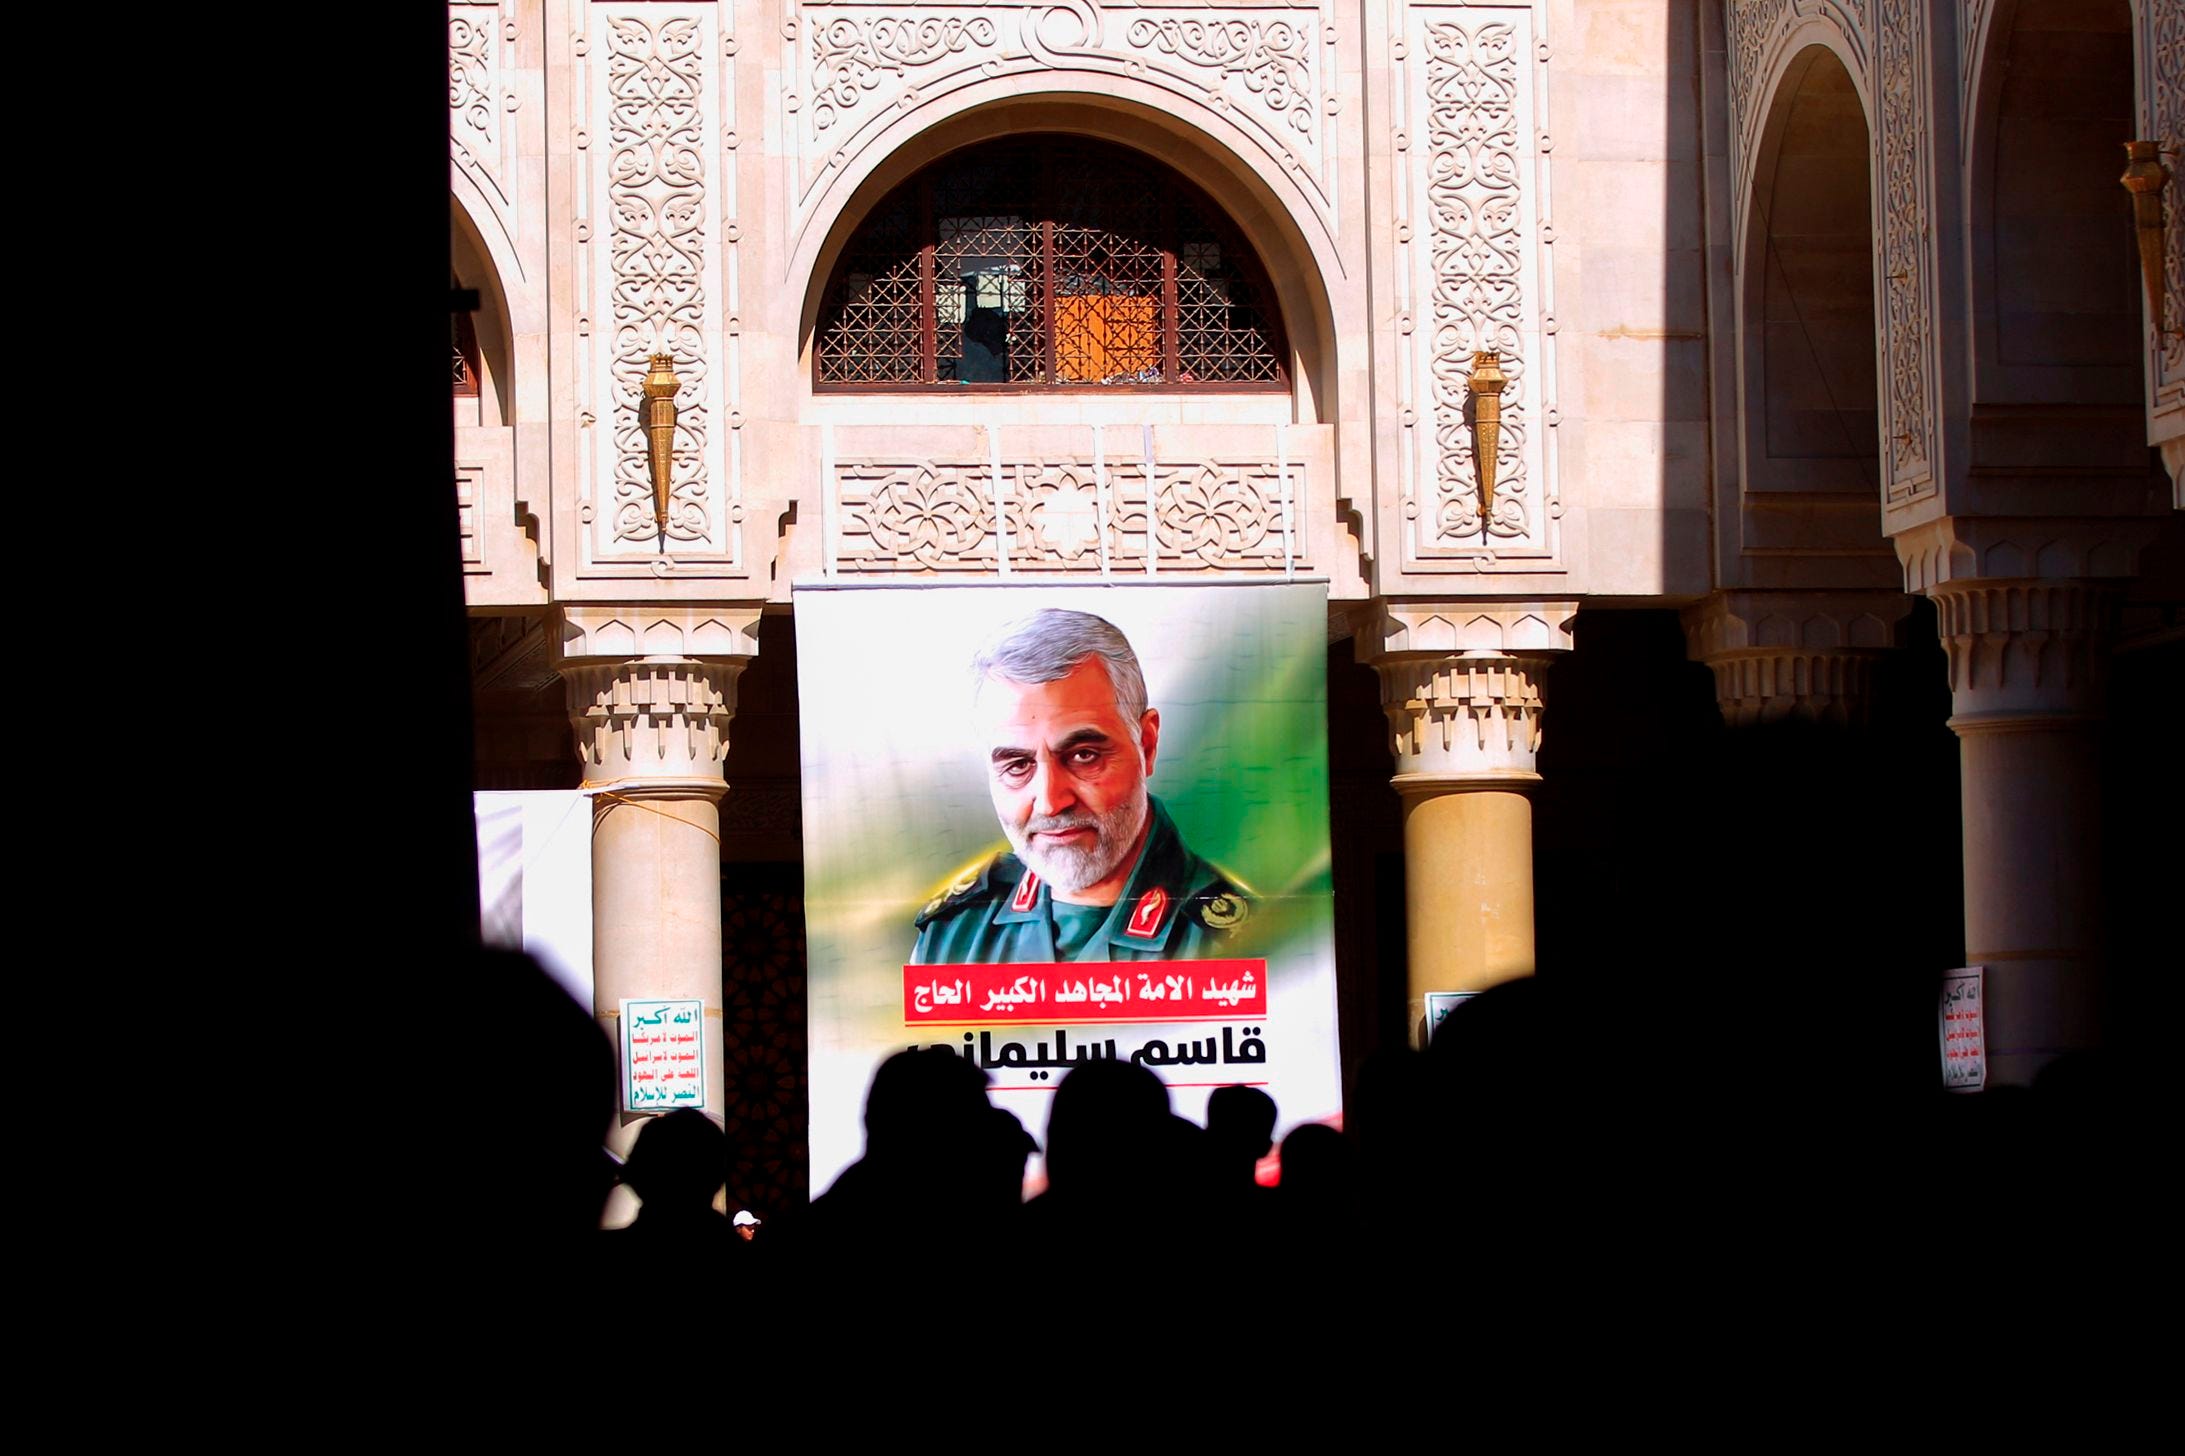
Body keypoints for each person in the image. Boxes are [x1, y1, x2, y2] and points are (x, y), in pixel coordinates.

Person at [910, 608, 1256, 964]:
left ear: (1147, 745)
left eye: (1084, 756)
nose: (1049, 802)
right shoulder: (952, 937)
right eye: (1018, 765)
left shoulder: (1243, 946)